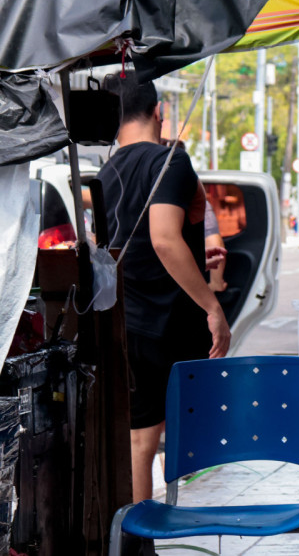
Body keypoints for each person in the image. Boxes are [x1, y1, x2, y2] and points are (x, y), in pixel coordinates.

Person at [96, 79, 229, 503]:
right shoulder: (170, 160)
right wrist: (212, 308)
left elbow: (116, 246)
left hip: (125, 320)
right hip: (168, 324)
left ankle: (138, 533)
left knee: (140, 441)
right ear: (159, 111)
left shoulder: (106, 171)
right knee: (182, 436)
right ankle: (163, 525)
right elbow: (165, 240)